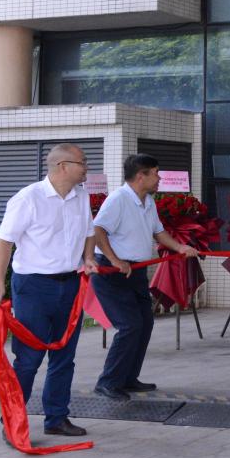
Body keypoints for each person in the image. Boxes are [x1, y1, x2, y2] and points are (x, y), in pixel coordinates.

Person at [0, 144, 98, 438]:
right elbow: (4, 243)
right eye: (83, 162)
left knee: (65, 356)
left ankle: (56, 418)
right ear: (63, 166)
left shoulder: (81, 196)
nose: (87, 167)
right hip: (34, 287)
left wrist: (89, 258)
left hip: (71, 284)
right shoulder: (28, 198)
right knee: (29, 358)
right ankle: (12, 422)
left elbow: (89, 233)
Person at [90, 154, 201, 400]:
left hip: (136, 271)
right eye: (156, 173)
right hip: (113, 272)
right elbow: (97, 230)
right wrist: (115, 260)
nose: (159, 178)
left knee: (145, 323)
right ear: (141, 176)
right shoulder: (118, 199)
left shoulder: (148, 201)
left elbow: (158, 232)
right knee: (129, 326)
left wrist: (180, 247)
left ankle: (128, 378)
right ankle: (108, 382)